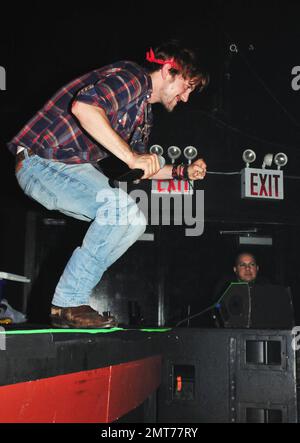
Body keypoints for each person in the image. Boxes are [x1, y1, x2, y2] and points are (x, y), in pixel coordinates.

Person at [7, 41, 209, 328]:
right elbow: (84, 107)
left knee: (133, 220)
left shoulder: (144, 117)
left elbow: (143, 167)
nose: (186, 98)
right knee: (120, 210)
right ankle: (67, 302)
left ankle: (70, 301)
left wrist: (183, 171)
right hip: (43, 161)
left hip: (69, 168)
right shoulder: (133, 78)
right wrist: (130, 156)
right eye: (186, 86)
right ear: (168, 71)